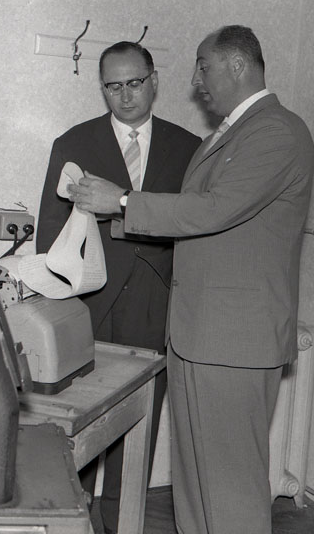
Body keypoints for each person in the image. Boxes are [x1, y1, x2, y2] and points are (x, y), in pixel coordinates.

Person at [67, 25, 314, 534]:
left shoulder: (276, 131)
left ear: (237, 65)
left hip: (234, 339)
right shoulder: (227, 135)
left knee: (230, 487)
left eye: (204, 67)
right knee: (196, 483)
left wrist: (122, 201)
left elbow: (214, 209)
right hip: (199, 334)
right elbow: (197, 217)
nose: (197, 82)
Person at [36, 41, 201, 534]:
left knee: (140, 425)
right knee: (75, 423)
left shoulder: (190, 148)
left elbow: (196, 228)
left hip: (158, 297)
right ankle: (72, 520)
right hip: (89, 303)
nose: (126, 96)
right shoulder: (73, 143)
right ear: (102, 88)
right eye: (114, 86)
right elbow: (51, 234)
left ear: (154, 81)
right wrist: (56, 307)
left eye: (135, 83)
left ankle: (120, 521)